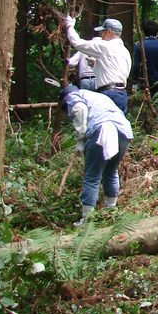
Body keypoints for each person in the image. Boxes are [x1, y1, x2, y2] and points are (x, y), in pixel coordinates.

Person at [58, 85, 134, 225]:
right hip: (123, 131)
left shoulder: (74, 96)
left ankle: (87, 219)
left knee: (92, 176)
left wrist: (80, 139)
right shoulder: (98, 96)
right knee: (111, 171)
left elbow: (80, 110)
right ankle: (111, 211)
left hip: (102, 130)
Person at [62, 15, 132, 113]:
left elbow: (78, 43)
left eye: (103, 31)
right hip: (122, 94)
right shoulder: (125, 51)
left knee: (103, 124)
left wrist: (69, 26)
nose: (101, 35)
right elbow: (120, 72)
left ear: (108, 32)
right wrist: (96, 65)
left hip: (108, 93)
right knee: (118, 124)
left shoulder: (104, 46)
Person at [132, 21, 158, 99]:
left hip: (144, 82)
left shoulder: (139, 46)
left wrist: (135, 81)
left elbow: (136, 66)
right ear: (157, 31)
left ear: (143, 32)